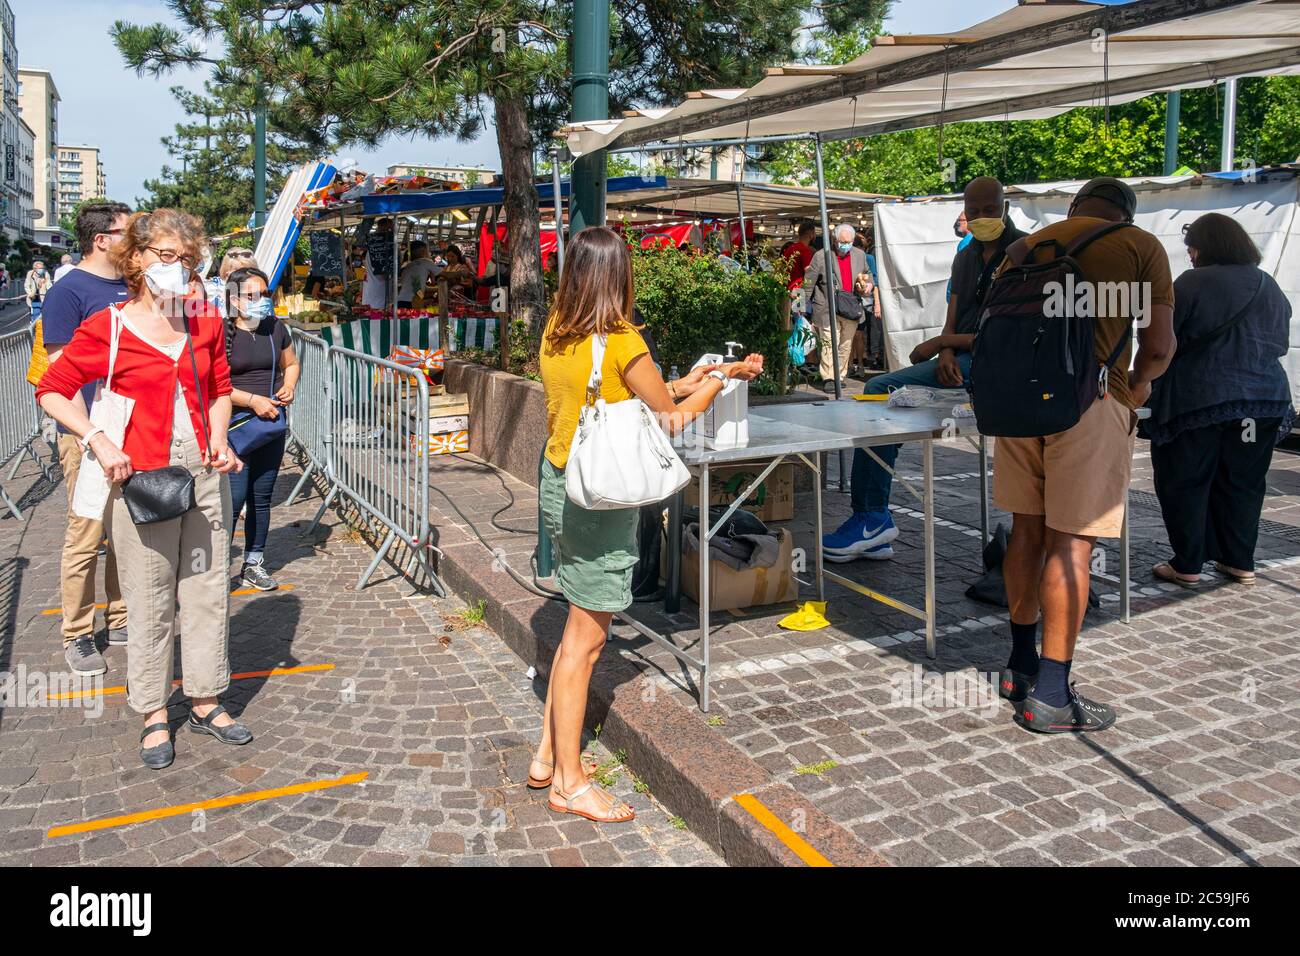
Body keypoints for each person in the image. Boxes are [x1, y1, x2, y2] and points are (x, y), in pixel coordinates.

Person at [534, 226, 762, 822]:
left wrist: (706, 375)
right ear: (619, 275)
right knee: (587, 641)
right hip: (599, 502)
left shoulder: (559, 330)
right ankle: (570, 782)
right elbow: (671, 419)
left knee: (572, 628)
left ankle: (546, 755)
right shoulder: (622, 339)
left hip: (561, 480)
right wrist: (714, 384)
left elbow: (624, 398)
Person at [36, 208, 250, 770]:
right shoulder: (108, 326)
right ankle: (154, 711)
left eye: (187, 260)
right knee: (149, 597)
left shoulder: (202, 318)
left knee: (206, 589)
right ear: (136, 259)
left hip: (205, 475)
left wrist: (222, 438)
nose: (178, 268)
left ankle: (206, 699)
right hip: (142, 481)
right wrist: (97, 440)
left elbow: (221, 387)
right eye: (165, 256)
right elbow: (52, 389)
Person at [994, 177, 1175, 734]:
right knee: (1071, 545)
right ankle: (1050, 697)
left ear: (1075, 207)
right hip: (1090, 402)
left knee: (1025, 530)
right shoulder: (1139, 245)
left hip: (1018, 403)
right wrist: (1138, 387)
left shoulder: (1024, 247)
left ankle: (1018, 668)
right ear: (1126, 211)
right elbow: (1160, 343)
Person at [823, 178, 1025, 562]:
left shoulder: (1022, 252)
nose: (982, 217)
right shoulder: (965, 256)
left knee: (880, 390)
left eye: (989, 209)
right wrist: (944, 350)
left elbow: (1006, 334)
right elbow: (953, 317)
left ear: (1005, 207)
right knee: (880, 396)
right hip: (961, 359)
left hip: (1000, 368)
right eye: (974, 210)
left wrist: (938, 346)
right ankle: (873, 521)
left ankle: (872, 517)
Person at [1145, 213, 1292, 587]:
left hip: (1199, 402)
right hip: (1262, 404)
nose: (1190, 254)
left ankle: (1188, 563)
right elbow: (1279, 343)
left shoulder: (1192, 283)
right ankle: (1239, 560)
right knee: (1243, 481)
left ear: (1206, 246)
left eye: (1192, 246)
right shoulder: (1267, 284)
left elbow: (1162, 341)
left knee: (1186, 479)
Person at [42, 201, 134, 676]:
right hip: (86, 432)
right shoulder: (69, 291)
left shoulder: (132, 285)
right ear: (103, 239)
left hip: (130, 428)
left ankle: (119, 618)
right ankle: (77, 634)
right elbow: (59, 375)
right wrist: (87, 435)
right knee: (85, 536)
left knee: (125, 533)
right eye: (128, 232)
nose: (135, 239)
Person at [224, 266, 299, 591]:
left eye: (266, 294)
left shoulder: (274, 328)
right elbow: (213, 384)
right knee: (233, 499)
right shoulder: (221, 332)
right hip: (233, 427)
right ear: (236, 301)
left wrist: (290, 387)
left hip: (269, 426)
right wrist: (252, 400)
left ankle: (254, 562)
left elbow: (291, 363)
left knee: (261, 497)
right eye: (253, 296)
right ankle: (215, 569)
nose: (262, 301)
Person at [805, 223, 870, 393]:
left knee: (845, 344)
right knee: (828, 343)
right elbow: (808, 282)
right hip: (826, 306)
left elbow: (867, 275)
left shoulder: (860, 255)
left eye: (849, 241)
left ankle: (839, 375)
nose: (845, 244)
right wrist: (801, 305)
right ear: (834, 239)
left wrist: (867, 285)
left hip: (850, 306)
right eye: (842, 241)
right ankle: (829, 377)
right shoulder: (821, 256)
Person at [205, 247, 257, 311]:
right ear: (227, 272)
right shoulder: (210, 290)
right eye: (239, 271)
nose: (245, 276)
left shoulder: (258, 295)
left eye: (250, 271)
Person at [396, 241, 441, 308]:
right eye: (427, 251)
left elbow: (417, 286)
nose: (429, 253)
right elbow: (417, 289)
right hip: (411, 302)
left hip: (400, 301)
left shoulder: (408, 266)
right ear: (423, 251)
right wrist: (460, 272)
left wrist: (438, 289)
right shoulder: (425, 262)